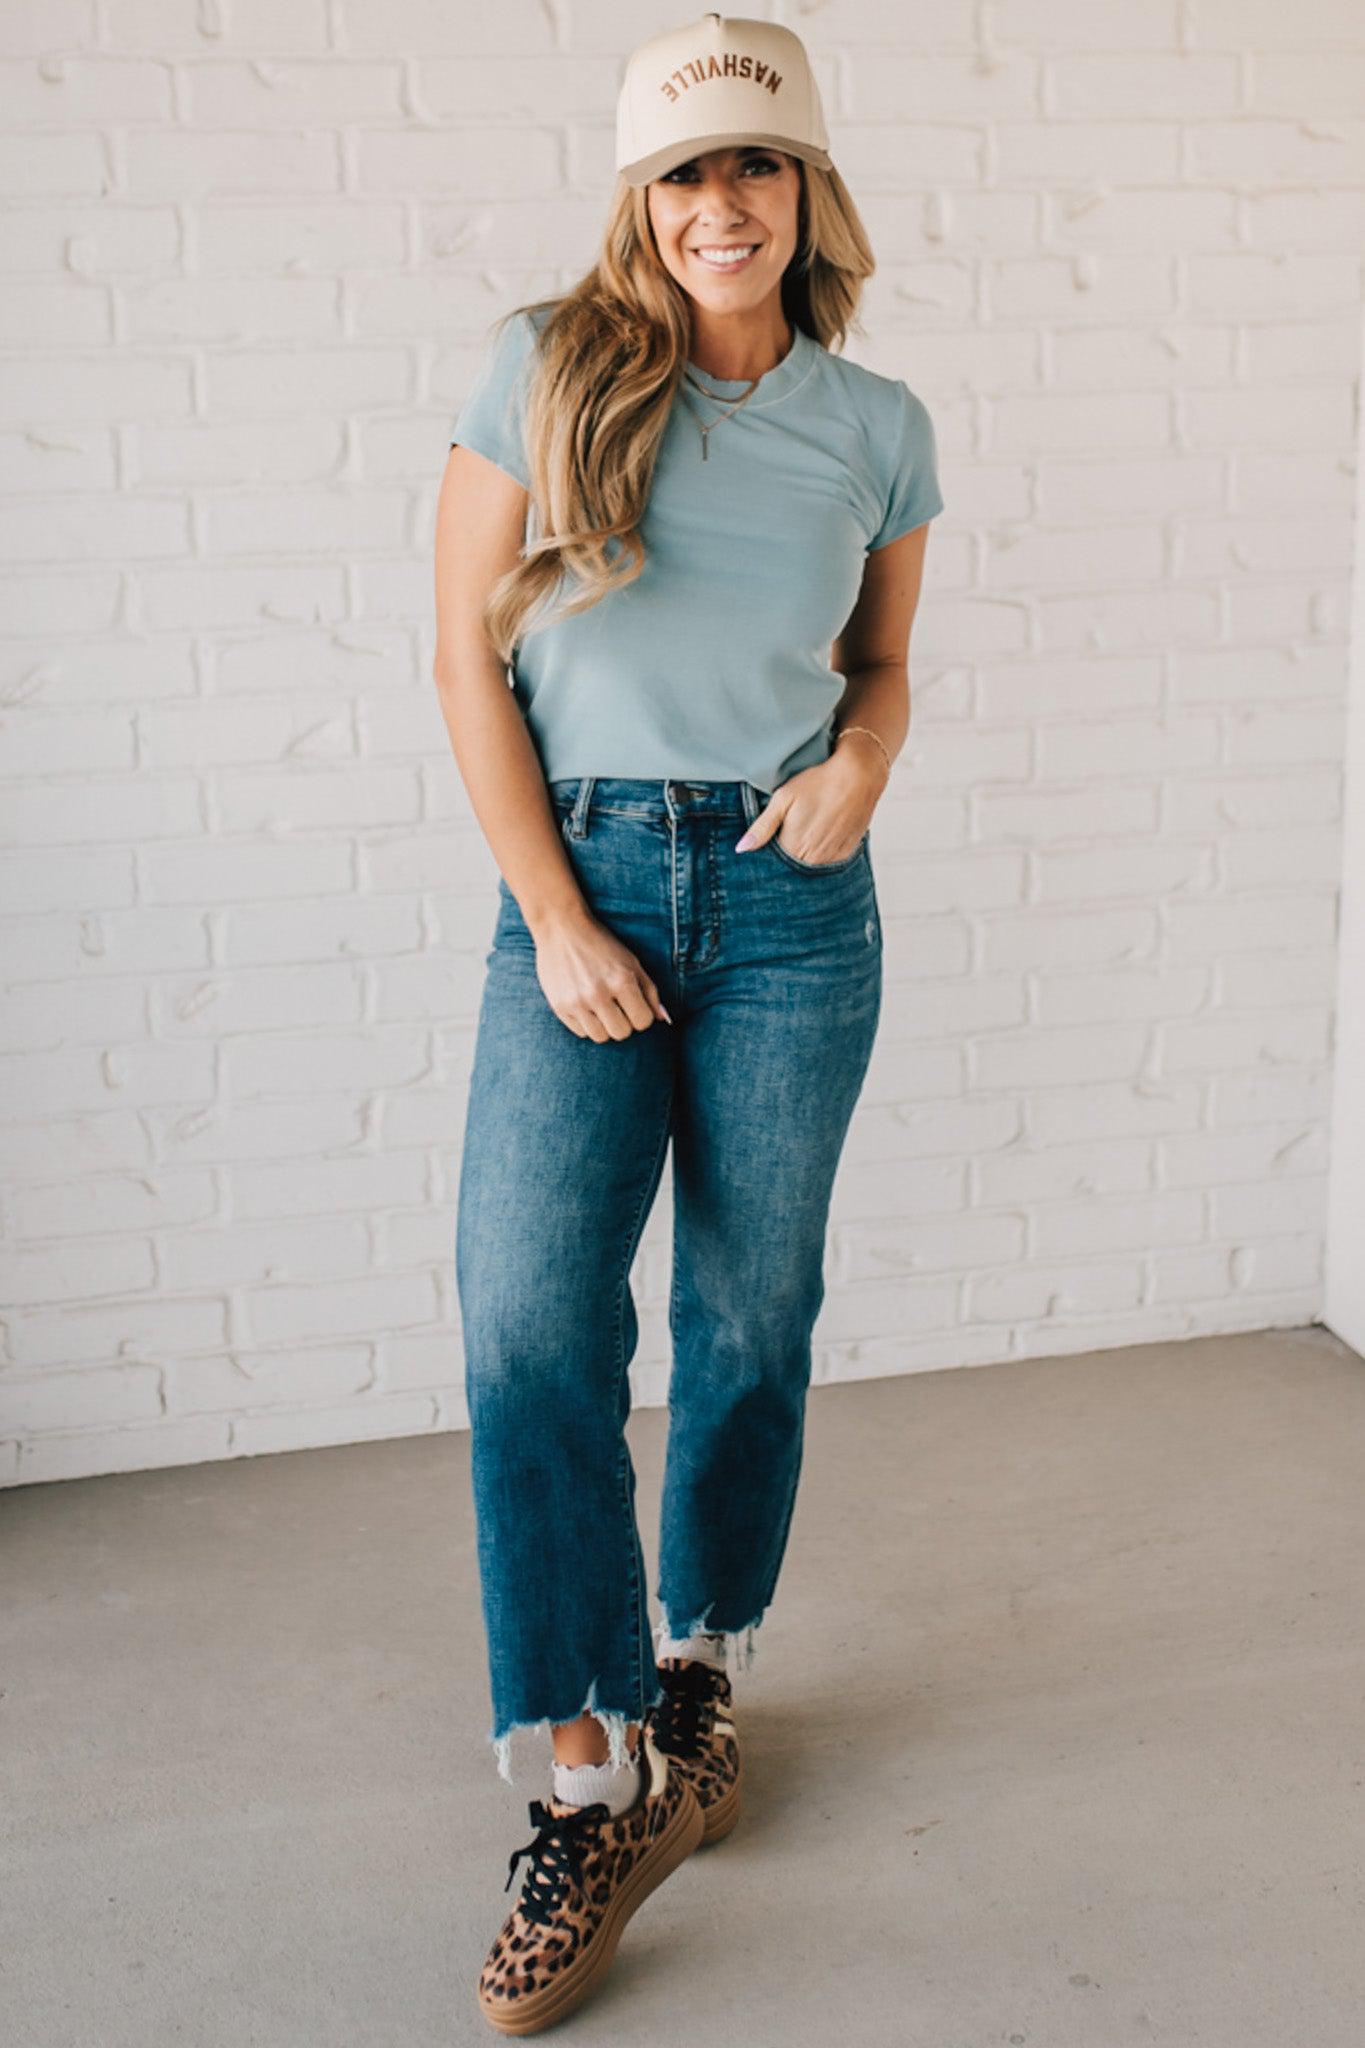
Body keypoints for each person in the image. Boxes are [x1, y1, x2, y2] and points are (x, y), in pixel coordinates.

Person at [432, 10, 942, 2032]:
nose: (716, 204)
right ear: (637, 205)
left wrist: (860, 767)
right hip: (581, 888)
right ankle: (573, 1773)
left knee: (752, 1311)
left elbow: (880, 661)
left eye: (751, 167)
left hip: (796, 906)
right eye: (678, 174)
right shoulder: (544, 367)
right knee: (528, 1319)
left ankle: (696, 1670)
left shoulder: (878, 421)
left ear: (804, 191)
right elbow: (463, 668)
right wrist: (553, 916)